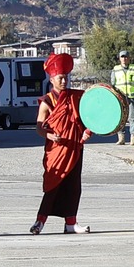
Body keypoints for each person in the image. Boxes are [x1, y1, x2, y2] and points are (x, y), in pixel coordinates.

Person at [32, 52, 90, 233]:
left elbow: (86, 119)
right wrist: (49, 136)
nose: (64, 81)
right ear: (52, 79)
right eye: (60, 78)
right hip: (56, 150)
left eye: (66, 77)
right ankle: (39, 222)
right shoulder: (47, 101)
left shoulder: (75, 97)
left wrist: (88, 132)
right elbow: (39, 128)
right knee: (53, 186)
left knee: (73, 186)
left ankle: (71, 223)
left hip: (74, 147)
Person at [111, 50, 134, 145]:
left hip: (132, 96)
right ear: (119, 58)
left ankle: (133, 137)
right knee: (120, 117)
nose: (124, 59)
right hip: (120, 97)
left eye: (126, 57)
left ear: (129, 58)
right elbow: (113, 83)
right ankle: (121, 138)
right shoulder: (115, 69)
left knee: (132, 117)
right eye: (122, 57)